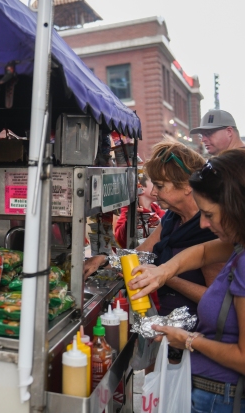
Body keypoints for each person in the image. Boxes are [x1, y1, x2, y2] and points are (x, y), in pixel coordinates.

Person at [129, 148, 245, 412]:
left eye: (210, 215)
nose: (203, 224)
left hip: (222, 397)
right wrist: (164, 271)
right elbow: (203, 251)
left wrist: (189, 340)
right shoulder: (237, 244)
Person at [84, 141, 222, 318]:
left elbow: (215, 301)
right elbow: (141, 253)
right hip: (165, 321)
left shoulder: (210, 229)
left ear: (187, 185)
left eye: (160, 186)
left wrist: (165, 276)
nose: (154, 192)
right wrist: (106, 260)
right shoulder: (172, 218)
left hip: (194, 331)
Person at [114, 173, 165, 248]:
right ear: (141, 187)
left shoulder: (161, 213)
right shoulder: (128, 210)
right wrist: (129, 222)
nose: (160, 186)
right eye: (154, 182)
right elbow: (119, 241)